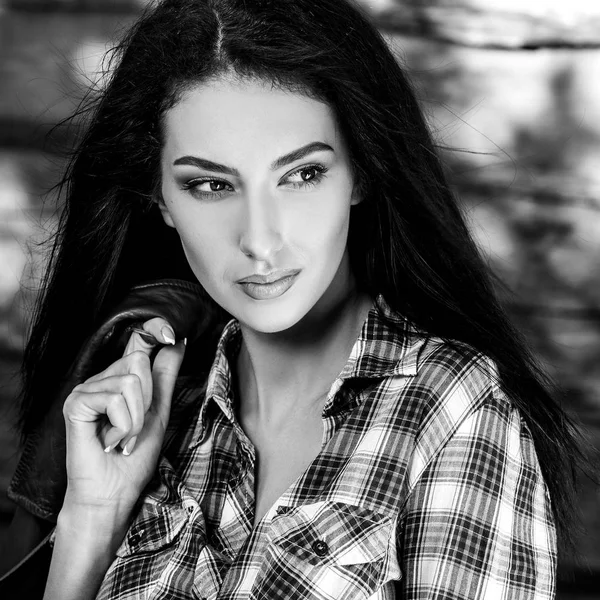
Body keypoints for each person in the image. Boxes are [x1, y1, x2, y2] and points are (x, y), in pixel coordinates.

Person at [5, 0, 584, 598]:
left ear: (360, 172)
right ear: (159, 199)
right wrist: (93, 519)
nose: (260, 240)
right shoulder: (155, 411)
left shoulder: (452, 411)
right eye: (209, 185)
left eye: (302, 175)